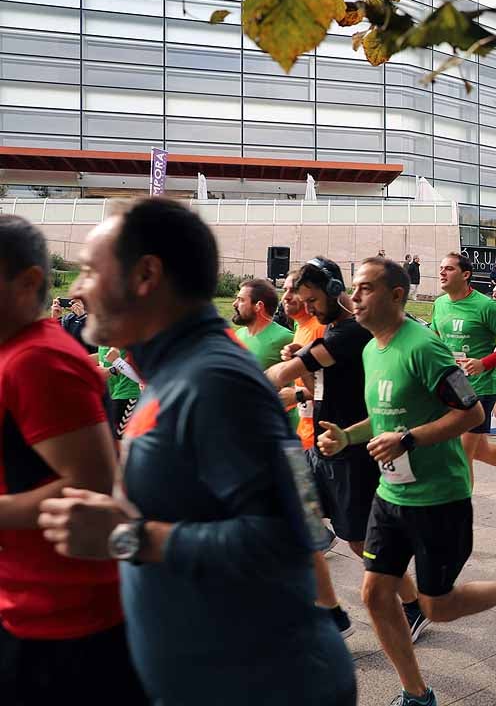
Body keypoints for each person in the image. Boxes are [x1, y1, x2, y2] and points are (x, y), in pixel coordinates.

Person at [38, 198, 354, 705]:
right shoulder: (176, 372)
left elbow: (291, 538)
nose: (76, 290)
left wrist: (127, 536)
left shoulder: (216, 381)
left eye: (90, 271)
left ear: (146, 274)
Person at [319, 258, 496, 706]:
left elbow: (471, 413)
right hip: (391, 494)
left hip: (439, 498)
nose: (353, 297)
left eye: (365, 288)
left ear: (396, 296)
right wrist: (348, 436)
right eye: (354, 288)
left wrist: (408, 439)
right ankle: (416, 694)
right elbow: (385, 413)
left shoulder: (423, 347)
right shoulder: (372, 350)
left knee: (438, 606)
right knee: (375, 593)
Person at [0, 215, 146, 705]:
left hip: (64, 625)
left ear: (28, 283)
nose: (83, 288)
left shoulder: (38, 360)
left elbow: (91, 483)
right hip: (27, 608)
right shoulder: (15, 354)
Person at [265, 258, 387, 636]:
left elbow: (279, 378)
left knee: (358, 541)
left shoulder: (346, 334)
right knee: (295, 517)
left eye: (312, 299)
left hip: (348, 450)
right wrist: (301, 365)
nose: (307, 307)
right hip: (320, 447)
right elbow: (316, 389)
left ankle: (413, 603)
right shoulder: (331, 331)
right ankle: (331, 611)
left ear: (335, 290)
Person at [430, 253, 496, 487]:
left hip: (478, 390)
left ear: (465, 274)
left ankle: (458, 518)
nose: (442, 273)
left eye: (448, 268)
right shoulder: (439, 304)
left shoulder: (486, 306)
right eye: (441, 268)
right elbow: (436, 343)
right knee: (479, 450)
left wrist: (484, 363)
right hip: (450, 387)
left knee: (462, 454)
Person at [231, 277, 294, 372]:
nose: (234, 304)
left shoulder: (286, 338)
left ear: (258, 306)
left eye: (241, 300)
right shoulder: (238, 334)